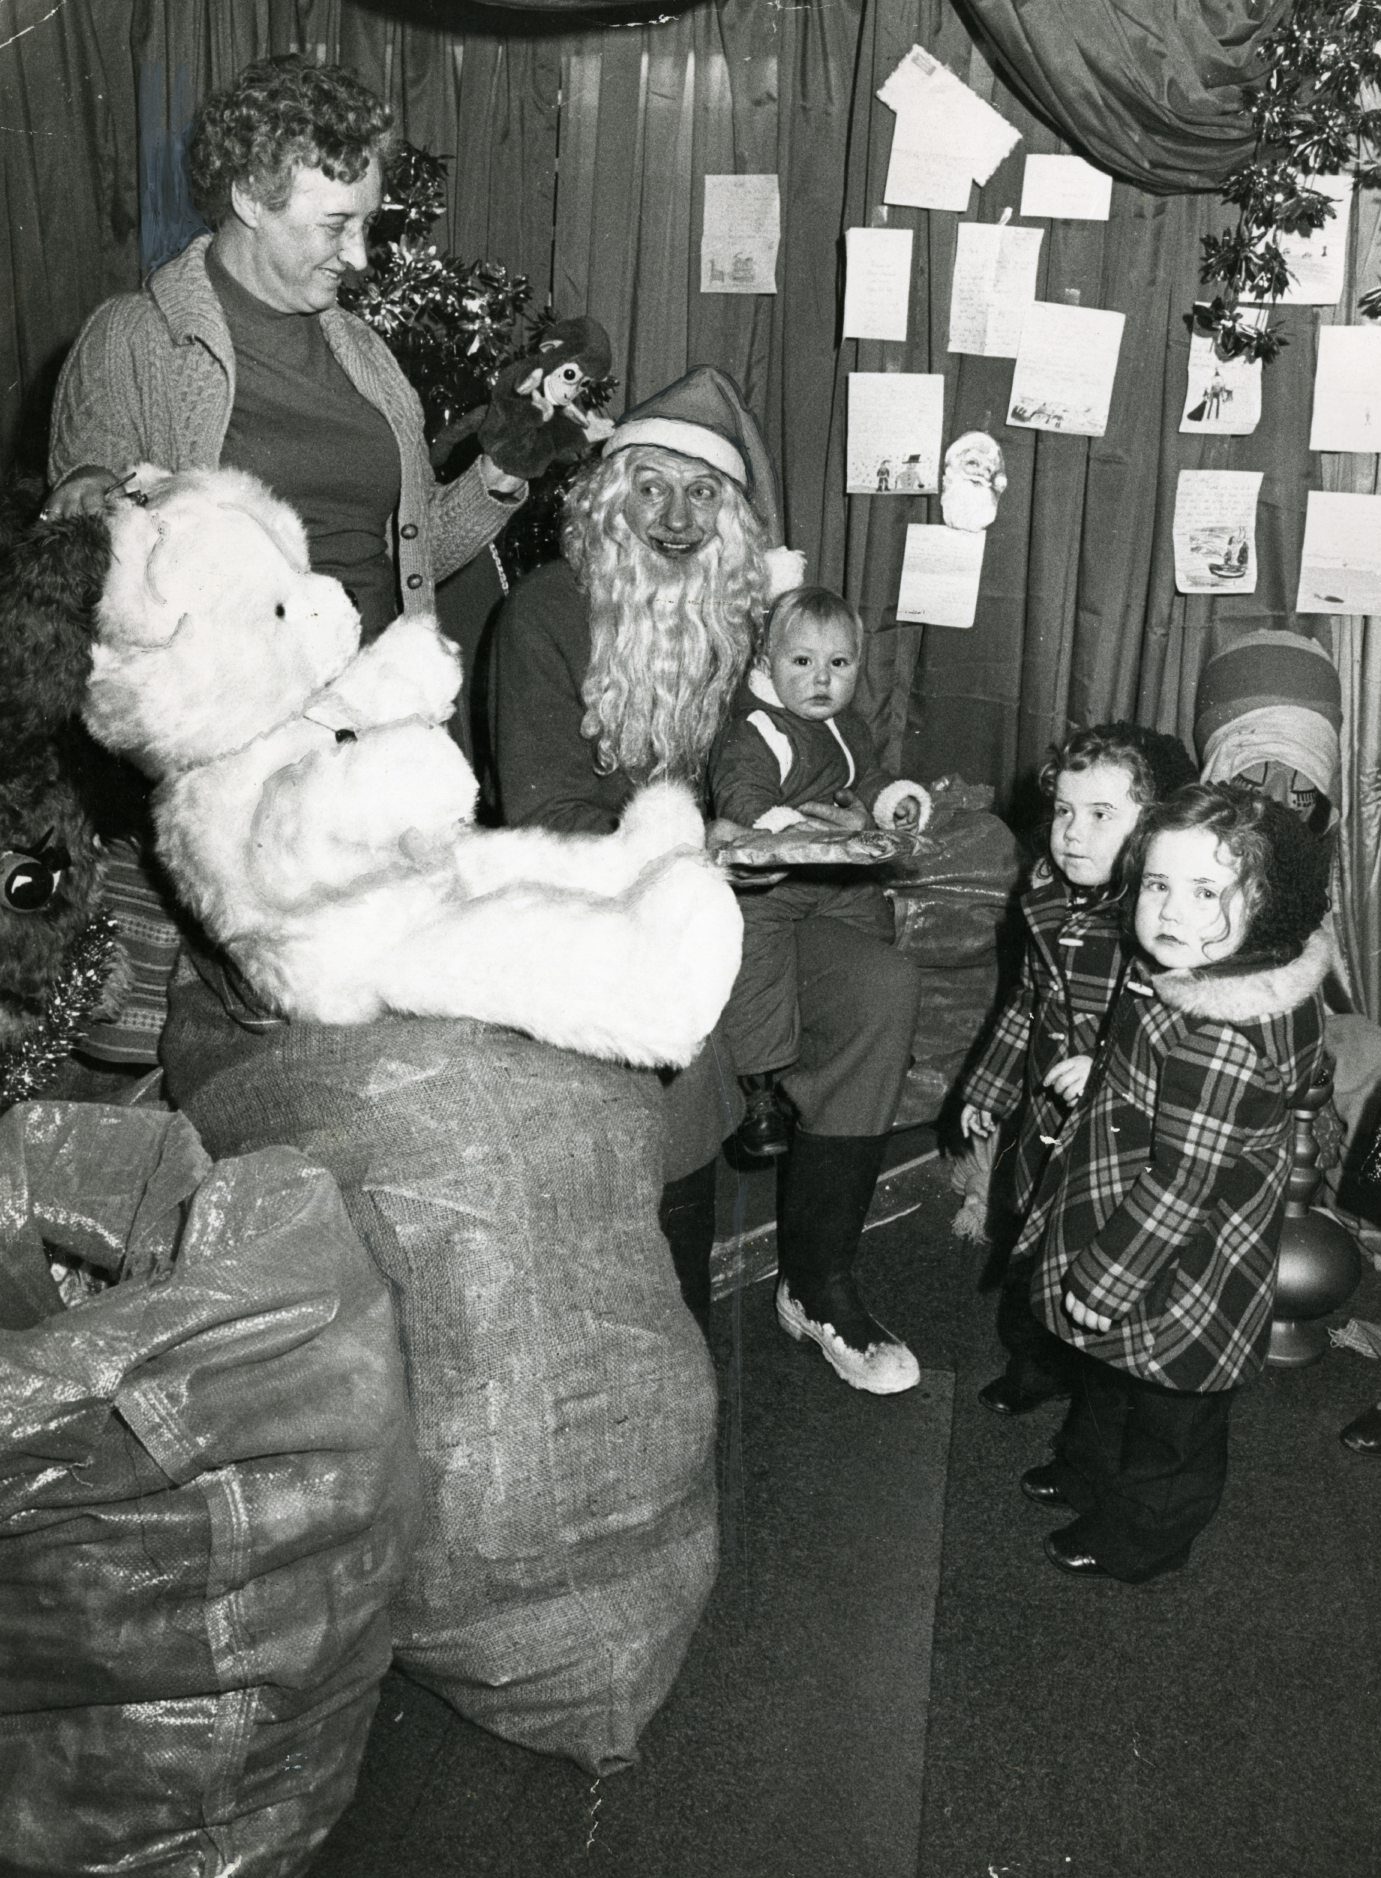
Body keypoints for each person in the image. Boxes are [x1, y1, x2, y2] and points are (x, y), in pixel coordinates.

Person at [43, 54, 528, 1064]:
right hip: (251, 756)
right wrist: (97, 503)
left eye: (367, 220)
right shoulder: (134, 341)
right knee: (322, 1029)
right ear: (246, 200)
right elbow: (85, 558)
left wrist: (502, 473)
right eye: (332, 225)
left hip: (381, 731)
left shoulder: (365, 359)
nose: (357, 256)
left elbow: (409, 559)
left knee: (426, 1014)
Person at [491, 364, 925, 1395]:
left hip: (750, 910)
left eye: (703, 495)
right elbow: (545, 820)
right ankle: (676, 1333)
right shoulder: (547, 617)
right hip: (608, 914)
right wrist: (703, 845)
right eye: (651, 487)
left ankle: (818, 1283)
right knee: (676, 1036)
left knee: (877, 991)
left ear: (732, 518)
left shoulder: (743, 623)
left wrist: (839, 811)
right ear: (607, 497)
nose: (676, 519)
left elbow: (818, 745)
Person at [1017, 784, 1330, 1582]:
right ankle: (1089, 1470)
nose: (1169, 911)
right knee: (1111, 1367)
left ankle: (1147, 1534)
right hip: (1136, 1216)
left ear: (1267, 903)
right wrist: (1108, 1069)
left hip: (1180, 1253)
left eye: (1204, 892)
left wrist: (1105, 1276)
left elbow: (1182, 1180)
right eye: (1156, 884)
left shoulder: (1221, 1035)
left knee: (1170, 1413)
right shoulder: (1198, 970)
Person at [959, 723, 1197, 1416]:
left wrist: (1103, 1069)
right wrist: (990, 1087)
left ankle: (1098, 1397)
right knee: (1031, 1239)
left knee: (1092, 1252)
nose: (1072, 833)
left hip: (1119, 1131)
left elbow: (1176, 1035)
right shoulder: (1047, 900)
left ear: (1151, 829)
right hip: (1046, 1118)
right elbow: (1028, 1002)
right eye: (1063, 810)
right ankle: (1036, 1366)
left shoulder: (1153, 925)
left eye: (1100, 816)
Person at [707, 584, 931, 1158]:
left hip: (834, 877)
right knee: (754, 955)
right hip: (774, 884)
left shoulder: (849, 727)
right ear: (767, 663)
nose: (822, 680)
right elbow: (743, 801)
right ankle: (758, 1086)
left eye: (839, 664)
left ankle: (866, 1035)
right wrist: (790, 830)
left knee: (875, 915)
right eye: (802, 662)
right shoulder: (756, 730)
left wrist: (890, 802)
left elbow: (868, 777)